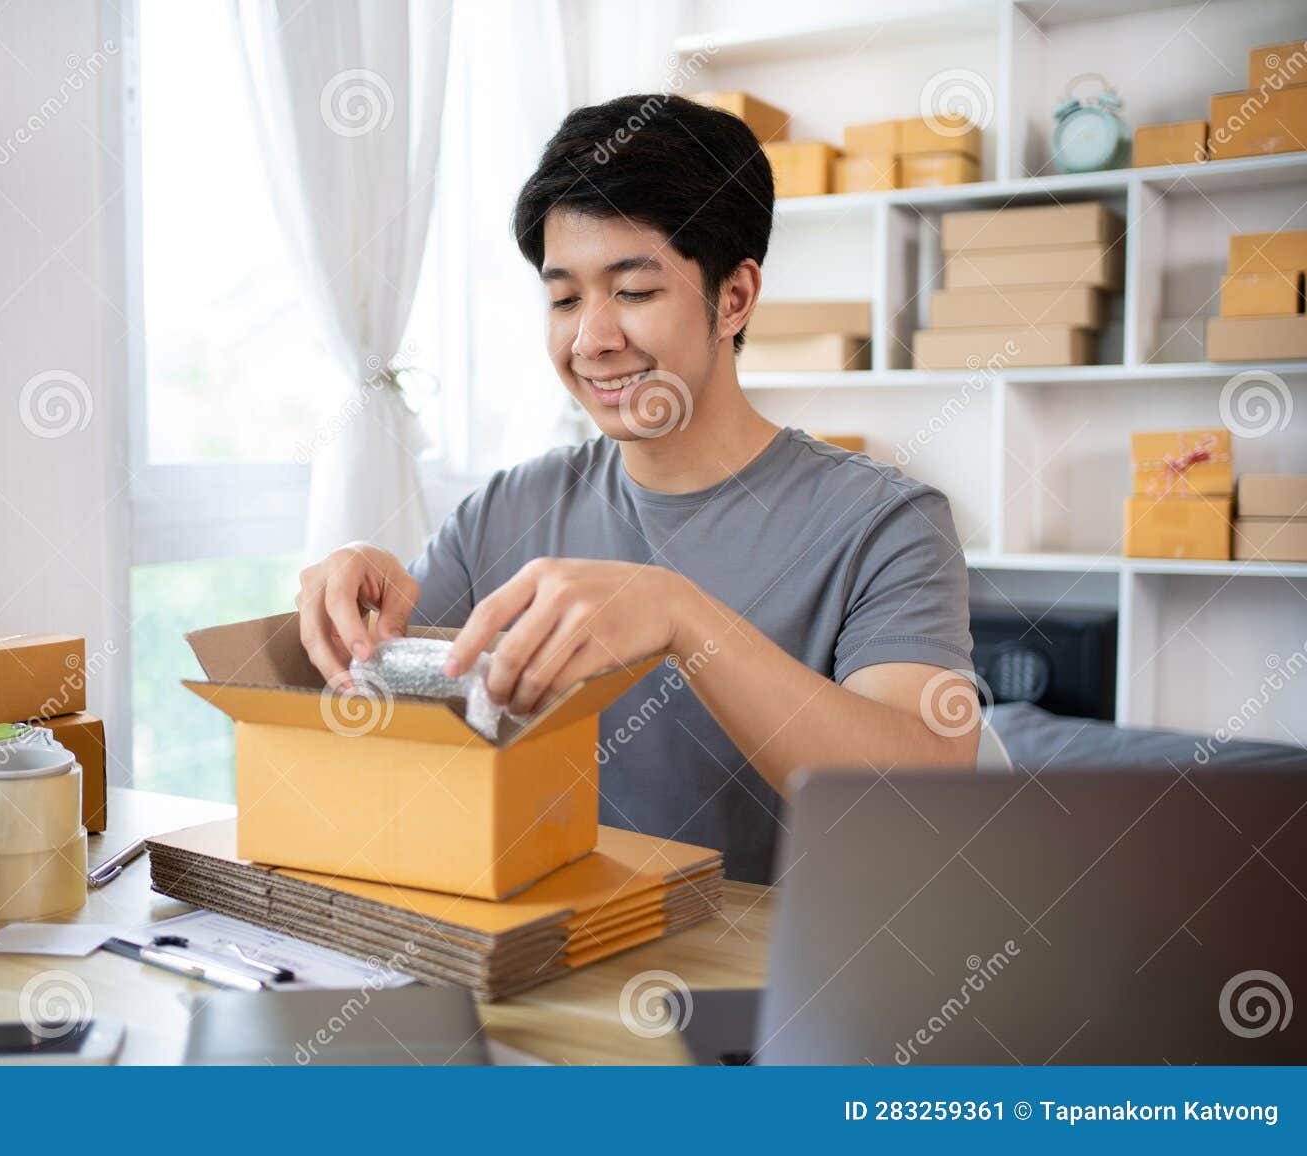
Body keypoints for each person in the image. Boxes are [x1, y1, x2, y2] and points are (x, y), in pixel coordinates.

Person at [295, 94, 977, 882]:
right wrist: (359, 596)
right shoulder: (507, 512)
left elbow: (918, 792)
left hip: (774, 982)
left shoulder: (886, 524)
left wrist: (681, 614)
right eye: (564, 298)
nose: (592, 338)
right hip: (542, 959)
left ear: (734, 297)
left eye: (635, 291)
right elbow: (390, 709)